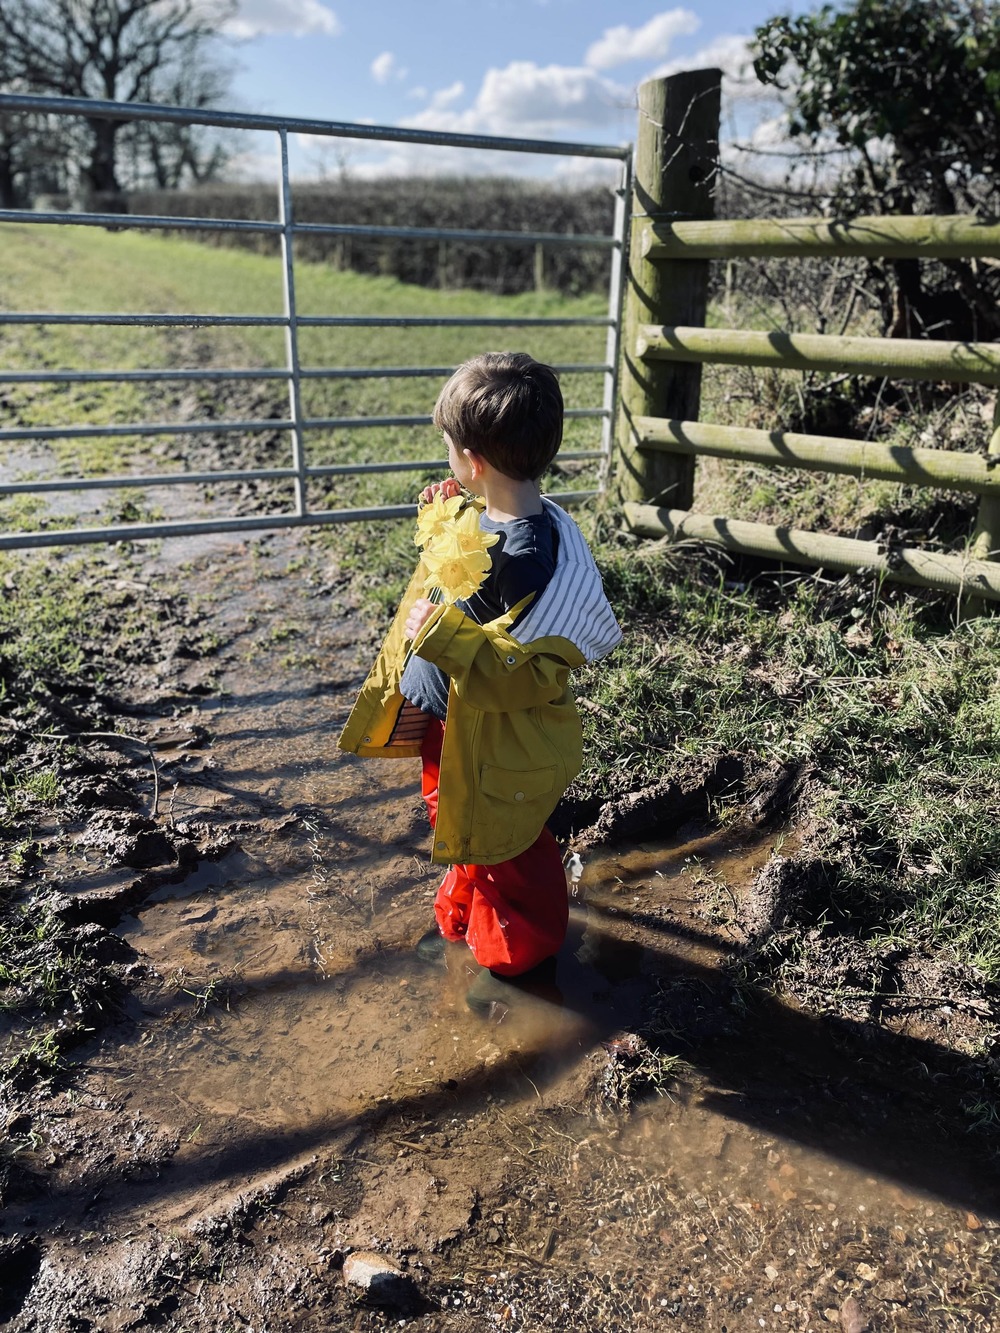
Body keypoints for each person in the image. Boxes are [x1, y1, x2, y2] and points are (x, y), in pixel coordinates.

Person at [338, 352, 621, 1014]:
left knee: (510, 849)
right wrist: (445, 515)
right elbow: (458, 548)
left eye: (449, 452)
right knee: (466, 827)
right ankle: (466, 925)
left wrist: (440, 633)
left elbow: (514, 675)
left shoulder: (525, 561)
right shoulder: (488, 513)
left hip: (492, 739)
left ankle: (521, 957)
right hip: (454, 731)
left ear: (473, 461)